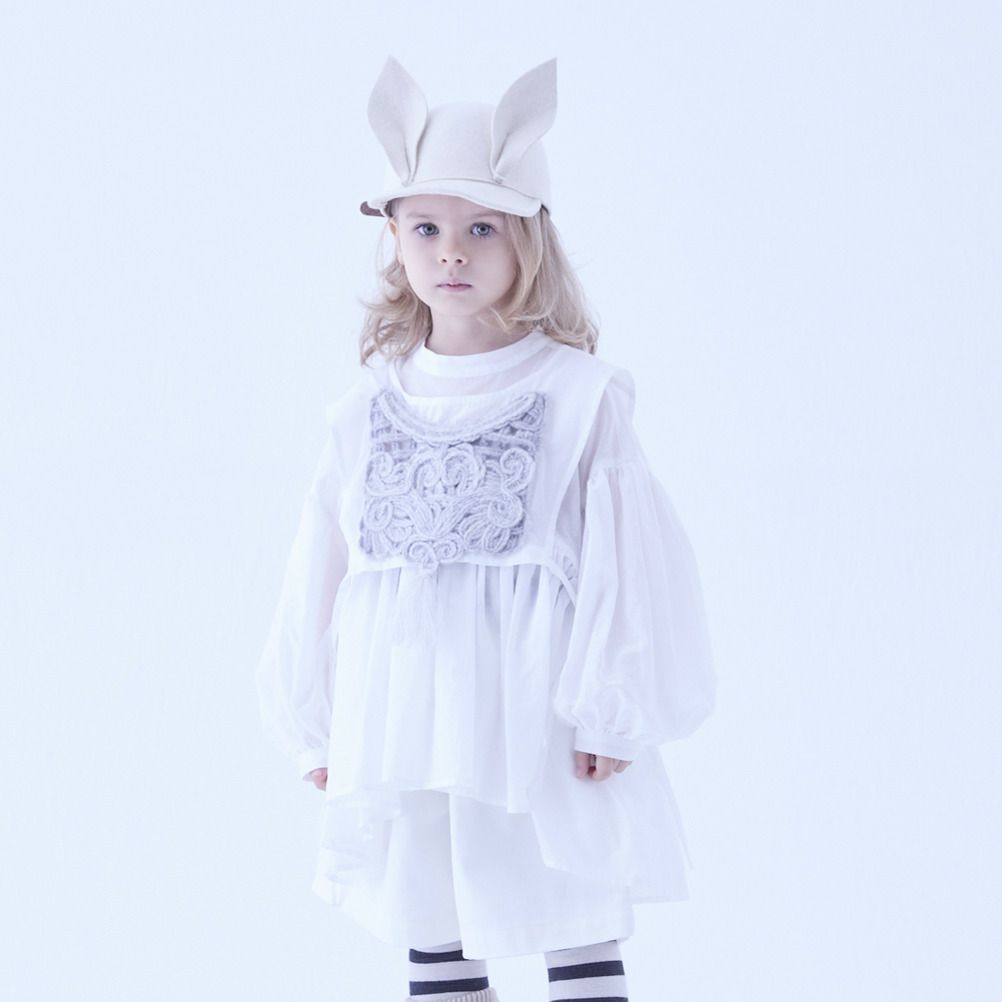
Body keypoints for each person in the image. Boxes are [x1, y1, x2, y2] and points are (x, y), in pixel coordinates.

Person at [255, 55, 717, 1002]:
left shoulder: (578, 396)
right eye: (427, 228)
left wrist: (610, 705)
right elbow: (323, 570)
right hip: (408, 716)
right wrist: (318, 721)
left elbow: (628, 563)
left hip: (536, 718)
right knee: (433, 923)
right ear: (394, 238)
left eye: (481, 228)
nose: (452, 253)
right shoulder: (362, 412)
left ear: (528, 242)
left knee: (569, 917)